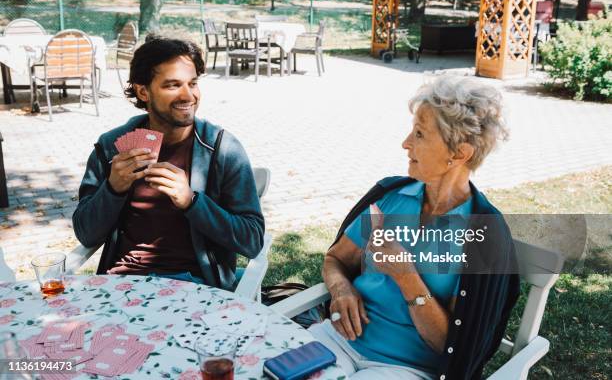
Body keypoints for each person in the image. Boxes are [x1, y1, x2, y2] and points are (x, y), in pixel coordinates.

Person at [310, 76, 520, 379]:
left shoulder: (482, 234)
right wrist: (341, 289)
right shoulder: (392, 197)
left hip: (403, 367)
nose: (406, 143)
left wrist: (405, 274)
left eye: (420, 134)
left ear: (459, 153)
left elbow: (451, 345)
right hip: (337, 341)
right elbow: (336, 259)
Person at [72, 36, 264, 289]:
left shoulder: (221, 149)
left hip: (194, 283)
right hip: (121, 281)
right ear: (143, 91)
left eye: (193, 83)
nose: (188, 95)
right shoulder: (110, 148)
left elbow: (251, 240)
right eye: (173, 85)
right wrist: (112, 189)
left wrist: (192, 201)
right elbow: (86, 234)